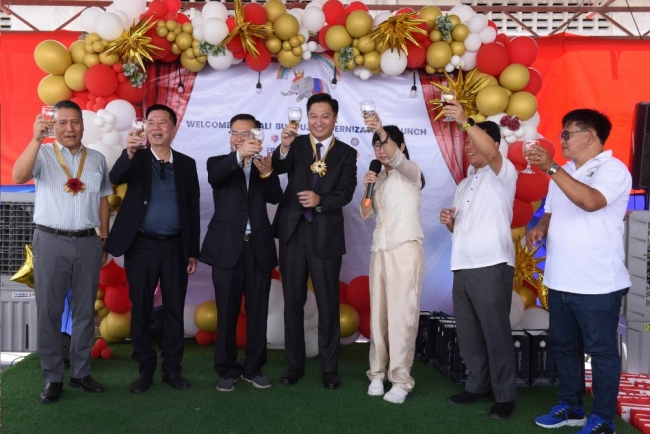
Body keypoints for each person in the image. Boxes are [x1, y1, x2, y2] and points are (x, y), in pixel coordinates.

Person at [527, 109, 631, 434]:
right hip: (560, 279)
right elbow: (550, 210)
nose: (562, 140)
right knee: (564, 347)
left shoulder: (613, 169)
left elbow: (590, 201)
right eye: (562, 133)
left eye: (567, 133)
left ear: (591, 135)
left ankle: (603, 418)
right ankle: (571, 406)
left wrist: (551, 167)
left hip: (597, 283)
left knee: (601, 352)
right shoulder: (567, 171)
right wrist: (541, 227)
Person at [12, 100, 112, 403]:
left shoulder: (97, 159)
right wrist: (35, 139)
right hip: (51, 240)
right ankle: (52, 377)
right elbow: (18, 176)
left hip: (88, 241)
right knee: (49, 312)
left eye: (75, 122)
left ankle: (81, 372)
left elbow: (103, 198)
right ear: (53, 126)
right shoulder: (42, 153)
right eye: (63, 122)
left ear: (83, 124)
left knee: (84, 312)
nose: (70, 128)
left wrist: (103, 238)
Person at [105, 104, 200, 394]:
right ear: (145, 127)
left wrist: (192, 251)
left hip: (175, 247)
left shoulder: (186, 164)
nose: (156, 127)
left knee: (174, 309)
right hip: (141, 246)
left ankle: (172, 369)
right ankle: (144, 370)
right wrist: (128, 152)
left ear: (173, 128)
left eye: (163, 122)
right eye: (151, 122)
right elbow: (115, 177)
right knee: (141, 308)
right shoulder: (136, 157)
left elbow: (192, 209)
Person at [272, 93, 357, 389]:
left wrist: (321, 200)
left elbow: (346, 192)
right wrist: (283, 147)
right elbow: (276, 168)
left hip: (325, 234)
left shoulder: (346, 153)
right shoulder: (295, 144)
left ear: (335, 119)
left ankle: (329, 368)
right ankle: (294, 365)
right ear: (307, 118)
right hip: (293, 233)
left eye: (325, 116)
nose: (318, 122)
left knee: (328, 303)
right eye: (313, 116)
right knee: (293, 302)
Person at [439, 100, 517, 420]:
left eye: (474, 141)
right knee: (469, 332)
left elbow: (493, 155)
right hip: (463, 264)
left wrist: (465, 121)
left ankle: (505, 395)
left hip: (491, 263)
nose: (469, 147)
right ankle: (477, 385)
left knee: (495, 332)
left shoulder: (503, 173)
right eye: (466, 143)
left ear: (493, 144)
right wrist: (450, 223)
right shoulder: (463, 183)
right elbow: (461, 228)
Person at [199, 114, 283, 392]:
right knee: (226, 312)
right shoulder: (218, 162)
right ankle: (226, 369)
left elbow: (275, 197)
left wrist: (268, 172)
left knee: (258, 311)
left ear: (256, 136)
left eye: (246, 133)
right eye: (234, 133)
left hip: (258, 248)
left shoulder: (263, 165)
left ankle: (253, 368)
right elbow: (216, 178)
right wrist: (239, 157)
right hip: (226, 249)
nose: (239, 137)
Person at [360, 114, 425, 404]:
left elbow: (398, 160)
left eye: (384, 145)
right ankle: (376, 374)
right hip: (380, 249)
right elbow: (365, 212)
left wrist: (380, 130)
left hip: (405, 247)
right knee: (379, 317)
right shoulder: (380, 177)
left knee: (401, 316)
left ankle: (401, 379)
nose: (380, 151)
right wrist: (368, 186)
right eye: (376, 146)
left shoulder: (411, 172)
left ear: (400, 146)